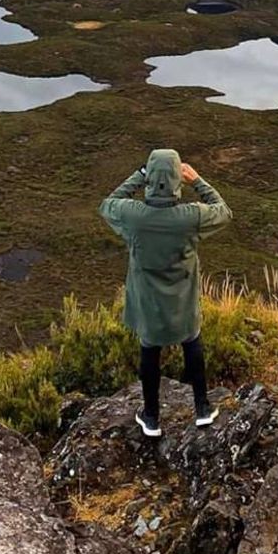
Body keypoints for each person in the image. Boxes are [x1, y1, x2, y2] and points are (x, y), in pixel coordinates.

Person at [99, 148, 232, 437]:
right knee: (192, 343)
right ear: (176, 180)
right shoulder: (191, 217)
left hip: (148, 304)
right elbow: (224, 211)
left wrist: (139, 176)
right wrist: (197, 180)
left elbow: (109, 203)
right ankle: (202, 409)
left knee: (150, 350)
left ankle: (151, 417)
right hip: (183, 302)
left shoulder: (134, 217)